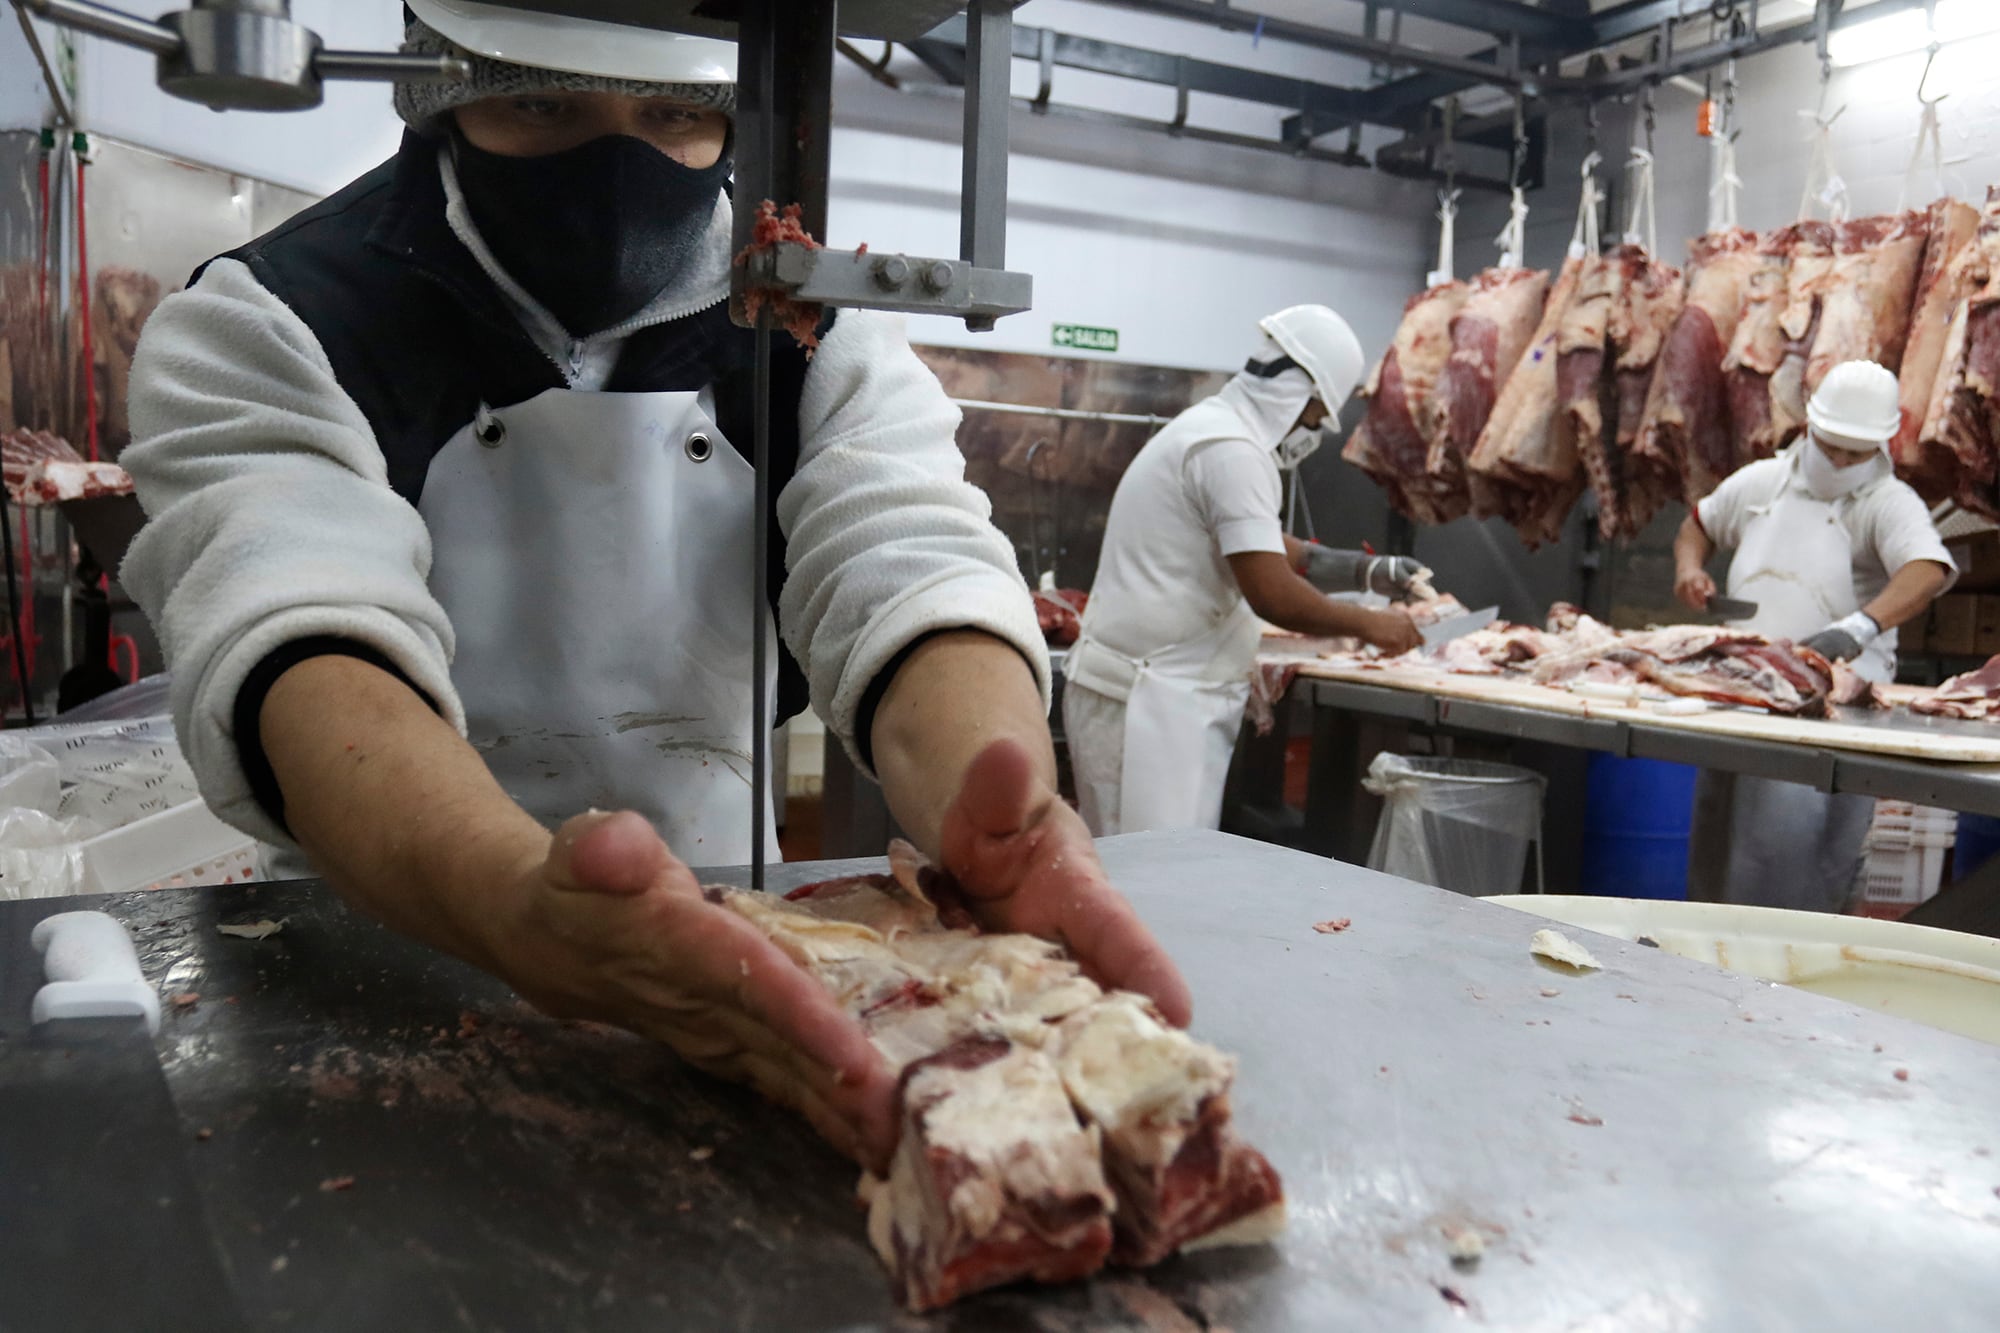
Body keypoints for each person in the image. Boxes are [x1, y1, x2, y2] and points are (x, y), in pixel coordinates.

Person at [117, 0, 1187, 1170]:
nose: (616, 163)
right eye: (542, 103)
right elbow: (296, 614)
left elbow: (905, 556)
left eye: (674, 113)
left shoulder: (811, 331)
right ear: (440, 88)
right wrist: (514, 906)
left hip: (739, 939)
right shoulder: (278, 316)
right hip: (376, 945)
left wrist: (995, 795)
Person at [1062, 306, 1424, 837]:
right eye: (1317, 415)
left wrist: (1368, 571)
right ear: (1298, 393)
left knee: (1156, 880)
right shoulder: (1233, 451)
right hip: (1148, 701)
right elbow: (1272, 595)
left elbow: (1263, 546)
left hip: (1157, 696)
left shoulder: (1213, 430)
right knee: (1152, 885)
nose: (1312, 430)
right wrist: (1372, 625)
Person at [1672, 360, 1954, 911]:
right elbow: (1697, 526)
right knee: (1717, 847)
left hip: (1828, 708)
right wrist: (1689, 569)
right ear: (1808, 428)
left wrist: (1860, 625)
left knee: (1791, 859)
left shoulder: (1887, 502)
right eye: (1833, 447)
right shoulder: (1763, 481)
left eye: (1858, 451)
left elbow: (1927, 570)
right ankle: (1701, 968)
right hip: (1742, 695)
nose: (1844, 461)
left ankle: (1783, 984)